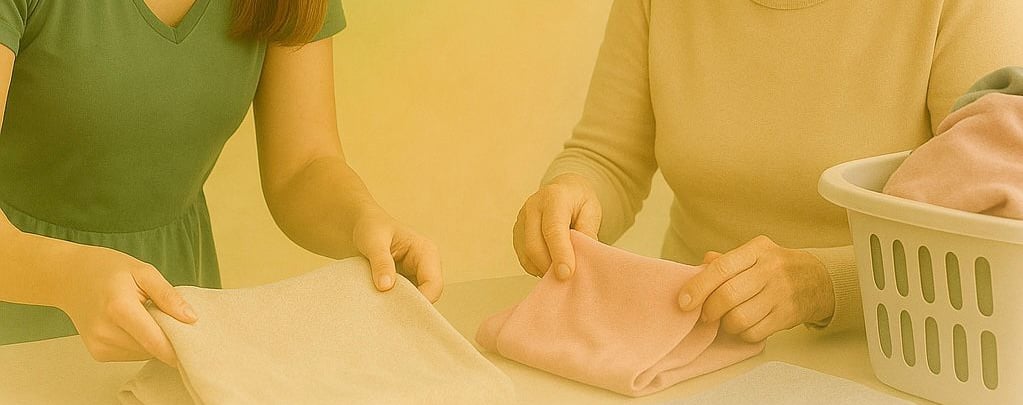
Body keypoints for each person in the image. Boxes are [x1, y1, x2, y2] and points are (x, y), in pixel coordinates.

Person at [514, 0, 1023, 341]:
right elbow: (608, 158)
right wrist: (571, 194)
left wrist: (826, 283)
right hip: (685, 339)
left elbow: (992, 240)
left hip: (894, 350)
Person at [0, 0, 443, 368]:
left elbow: (302, 165)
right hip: (17, 307)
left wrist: (361, 220)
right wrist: (67, 277)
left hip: (180, 317)